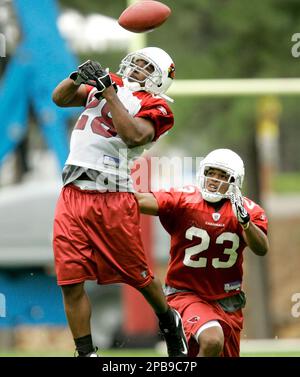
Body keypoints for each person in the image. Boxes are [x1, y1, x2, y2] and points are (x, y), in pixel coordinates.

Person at [51, 47, 187, 357]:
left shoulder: (157, 106)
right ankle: (86, 352)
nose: (136, 67)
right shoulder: (109, 82)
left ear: (159, 79)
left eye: (145, 66)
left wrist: (109, 93)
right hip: (72, 194)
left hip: (112, 196)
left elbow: (133, 136)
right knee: (70, 280)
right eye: (136, 61)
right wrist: (76, 78)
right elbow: (59, 99)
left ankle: (169, 320)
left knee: (138, 275)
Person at [135, 148, 269, 357]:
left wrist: (245, 223)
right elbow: (141, 201)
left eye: (222, 175)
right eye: (211, 173)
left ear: (235, 180)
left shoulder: (247, 210)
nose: (214, 180)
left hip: (227, 301)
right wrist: (108, 196)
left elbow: (261, 248)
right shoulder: (184, 200)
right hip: (186, 294)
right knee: (212, 339)